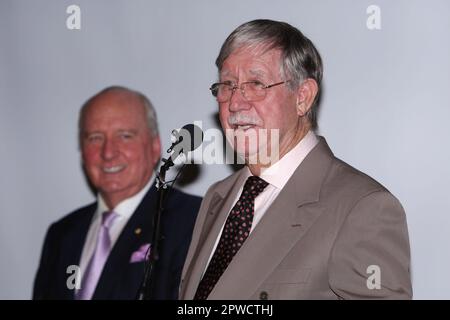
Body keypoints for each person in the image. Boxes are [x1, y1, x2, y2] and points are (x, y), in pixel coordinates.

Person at [179, 19, 412, 300]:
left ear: (303, 97)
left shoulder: (362, 207)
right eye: (227, 85)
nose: (235, 103)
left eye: (256, 84)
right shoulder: (217, 197)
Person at [33, 86, 202, 300]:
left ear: (154, 146)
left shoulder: (194, 221)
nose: (108, 152)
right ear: (82, 151)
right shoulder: (62, 235)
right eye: (95, 137)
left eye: (125, 136)